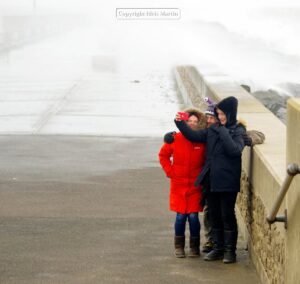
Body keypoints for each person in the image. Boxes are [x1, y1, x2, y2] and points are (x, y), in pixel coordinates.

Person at [174, 96, 245, 264]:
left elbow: (235, 151)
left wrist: (223, 130)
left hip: (228, 182)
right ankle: (218, 249)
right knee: (214, 215)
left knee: (227, 216)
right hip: (211, 180)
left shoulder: (238, 130)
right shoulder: (212, 130)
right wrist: (179, 123)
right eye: (218, 114)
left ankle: (230, 252)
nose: (219, 118)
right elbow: (193, 135)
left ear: (230, 113)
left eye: (222, 114)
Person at [158, 108, 206, 258]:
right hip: (178, 184)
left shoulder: (202, 140)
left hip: (195, 185)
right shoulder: (175, 138)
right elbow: (163, 155)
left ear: (199, 124)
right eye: (189, 121)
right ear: (184, 122)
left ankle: (194, 247)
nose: (192, 124)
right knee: (180, 217)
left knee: (193, 217)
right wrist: (170, 172)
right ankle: (179, 247)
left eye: (195, 122)